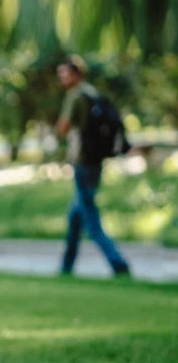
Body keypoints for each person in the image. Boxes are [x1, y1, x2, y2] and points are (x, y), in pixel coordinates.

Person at [55, 54, 130, 277]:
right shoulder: (93, 93)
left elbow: (63, 127)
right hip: (96, 161)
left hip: (83, 161)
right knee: (75, 217)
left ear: (77, 74)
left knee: (90, 219)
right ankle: (66, 268)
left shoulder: (76, 96)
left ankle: (118, 263)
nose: (62, 79)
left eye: (65, 74)